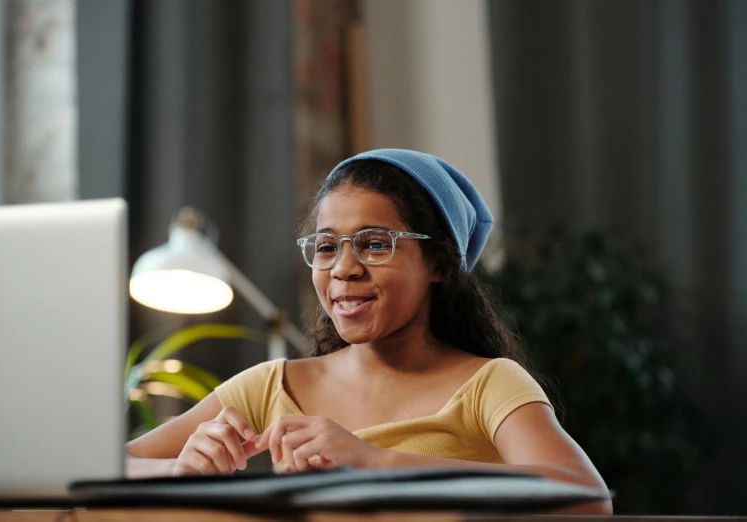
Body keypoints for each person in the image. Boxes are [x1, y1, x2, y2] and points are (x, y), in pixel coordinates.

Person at [126, 149, 611, 514]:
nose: (344, 268)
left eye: (375, 244)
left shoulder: (488, 384)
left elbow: (585, 497)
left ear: (438, 262)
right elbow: (107, 465)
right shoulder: (271, 386)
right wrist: (179, 468)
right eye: (326, 247)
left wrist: (375, 463)